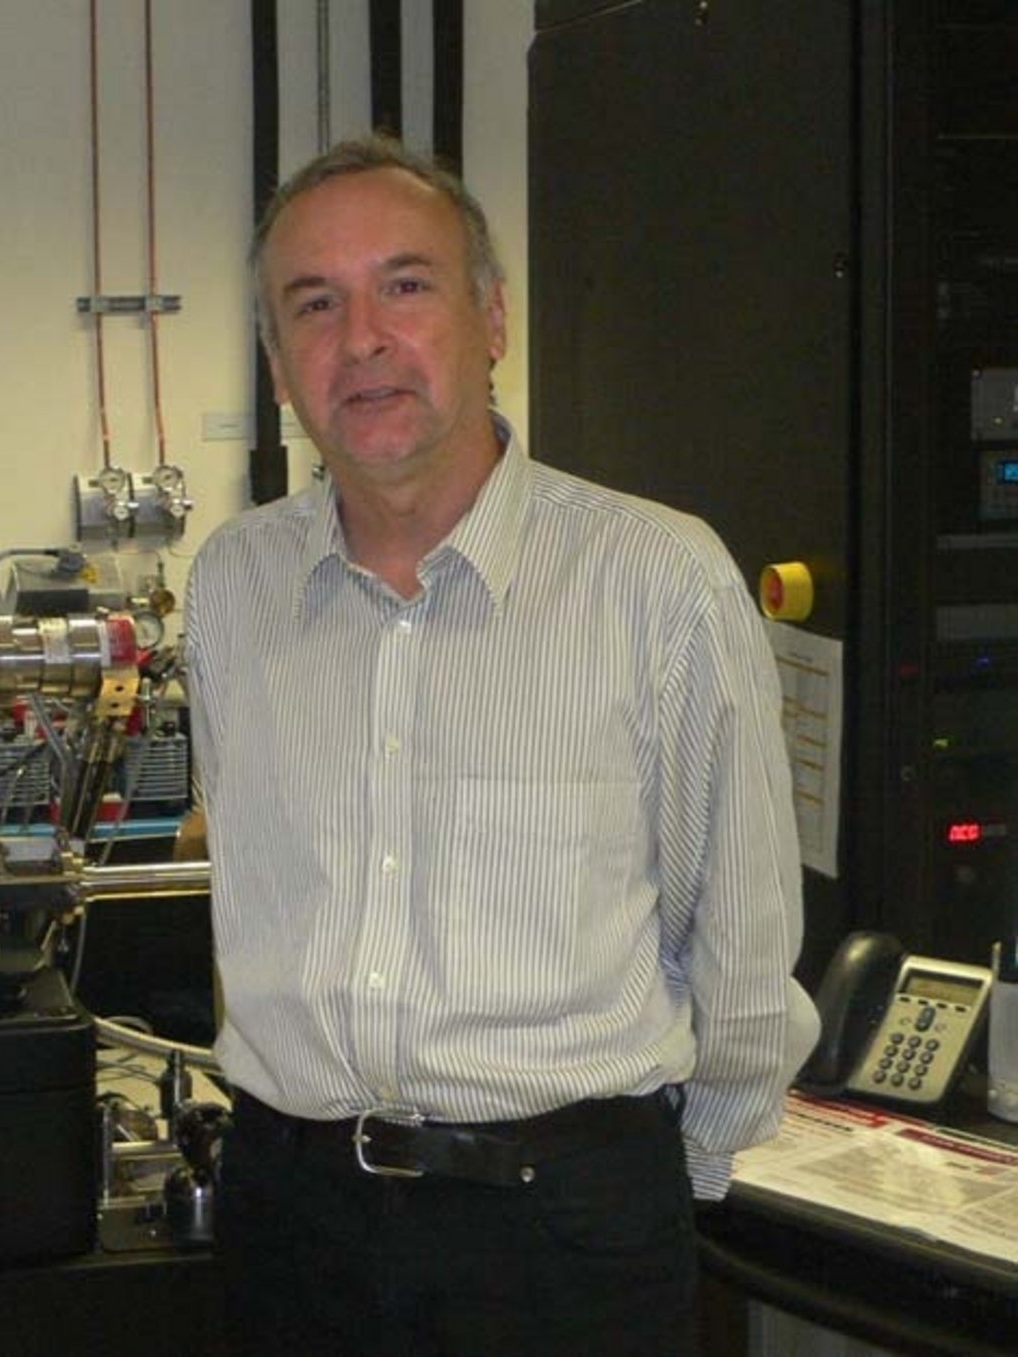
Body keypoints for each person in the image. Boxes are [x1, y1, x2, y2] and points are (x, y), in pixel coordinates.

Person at [183, 133, 820, 1356]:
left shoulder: (658, 579)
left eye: (405, 285)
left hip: (561, 1234)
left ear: (492, 319)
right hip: (294, 1220)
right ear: (276, 362)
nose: (362, 338)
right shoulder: (233, 585)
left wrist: (661, 1176)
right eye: (314, 304)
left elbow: (741, 941)